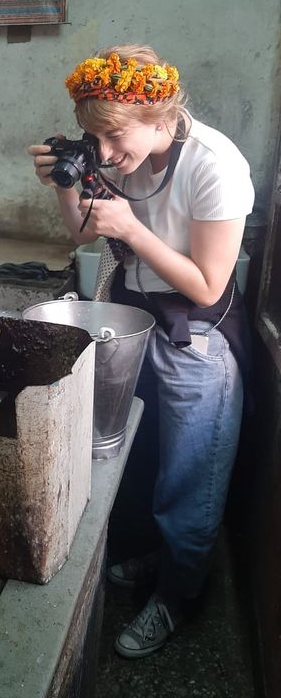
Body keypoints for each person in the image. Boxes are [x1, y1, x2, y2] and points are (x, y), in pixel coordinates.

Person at [29, 44, 254, 658]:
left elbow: (209, 284)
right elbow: (83, 232)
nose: (102, 152)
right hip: (136, 321)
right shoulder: (119, 158)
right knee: (148, 455)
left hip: (196, 337)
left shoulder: (215, 166)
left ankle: (180, 595)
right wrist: (63, 185)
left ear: (160, 113)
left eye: (113, 135)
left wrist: (133, 228)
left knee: (192, 476)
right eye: (91, 137)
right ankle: (156, 557)